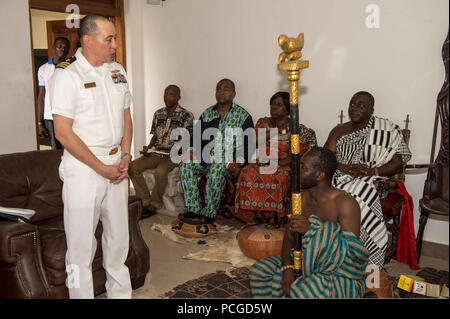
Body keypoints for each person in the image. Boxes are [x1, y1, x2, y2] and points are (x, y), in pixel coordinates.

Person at [49, 15, 133, 299]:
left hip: (116, 166)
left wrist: (125, 154)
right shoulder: (66, 75)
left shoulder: (117, 70)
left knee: (119, 241)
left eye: (115, 38)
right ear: (87, 41)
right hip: (84, 170)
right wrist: (101, 168)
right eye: (108, 39)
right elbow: (63, 133)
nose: (115, 45)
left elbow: (126, 115)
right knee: (81, 248)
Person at [249, 147, 369, 298]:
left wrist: (312, 231)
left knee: (302, 291)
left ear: (319, 175)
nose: (295, 170)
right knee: (258, 272)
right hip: (302, 259)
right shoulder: (298, 200)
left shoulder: (345, 203)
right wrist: (287, 268)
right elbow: (288, 238)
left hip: (337, 271)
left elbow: (352, 255)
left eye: (302, 167)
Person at [324, 91, 412, 268]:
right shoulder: (338, 130)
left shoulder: (386, 129)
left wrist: (372, 171)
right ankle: (326, 243)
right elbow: (326, 157)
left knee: (359, 190)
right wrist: (342, 167)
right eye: (352, 104)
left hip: (372, 180)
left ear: (371, 111)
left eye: (361, 105)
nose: (354, 108)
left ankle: (357, 249)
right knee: (317, 188)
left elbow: (398, 162)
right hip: (338, 175)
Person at [234, 91, 317, 228]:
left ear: (288, 109)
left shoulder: (297, 128)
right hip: (262, 161)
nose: (274, 107)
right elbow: (254, 140)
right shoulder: (263, 122)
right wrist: (276, 130)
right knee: (247, 173)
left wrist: (276, 163)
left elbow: (296, 155)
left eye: (278, 105)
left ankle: (274, 217)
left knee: (279, 177)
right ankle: (256, 216)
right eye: (272, 104)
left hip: (283, 164)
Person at [179, 78, 254, 225]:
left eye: (226, 89)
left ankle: (209, 213)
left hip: (228, 160)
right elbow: (197, 137)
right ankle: (193, 209)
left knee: (216, 170)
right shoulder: (207, 113)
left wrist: (238, 162)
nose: (221, 92)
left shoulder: (243, 116)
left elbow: (249, 144)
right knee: (185, 165)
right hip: (206, 157)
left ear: (233, 94)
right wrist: (192, 151)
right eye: (218, 89)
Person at [128, 85, 194, 217]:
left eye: (171, 94)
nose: (167, 96)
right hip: (156, 153)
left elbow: (188, 140)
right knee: (133, 166)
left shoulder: (186, 115)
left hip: (174, 155)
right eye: (165, 93)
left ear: (178, 97)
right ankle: (145, 201)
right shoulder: (158, 114)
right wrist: (148, 147)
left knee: (161, 171)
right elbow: (155, 136)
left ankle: (155, 204)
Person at [37, 37, 70, 149]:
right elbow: (41, 97)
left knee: (71, 147)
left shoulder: (71, 67)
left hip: (68, 114)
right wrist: (39, 123)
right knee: (55, 149)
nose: (62, 49)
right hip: (49, 116)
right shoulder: (43, 69)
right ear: (53, 48)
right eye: (60, 46)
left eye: (65, 47)